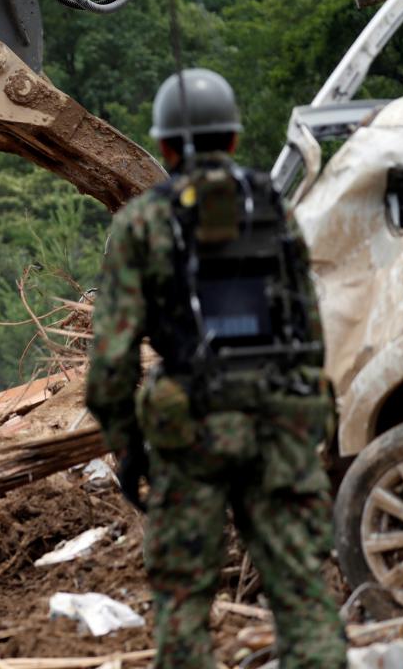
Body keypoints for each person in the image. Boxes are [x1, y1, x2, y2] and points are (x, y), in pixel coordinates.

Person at [85, 68, 346, 669]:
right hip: (279, 425)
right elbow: (307, 325)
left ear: (166, 146)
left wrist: (128, 447)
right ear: (232, 139)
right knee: (305, 598)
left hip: (190, 435)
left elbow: (111, 362)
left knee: (183, 605)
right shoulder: (273, 207)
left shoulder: (142, 224)